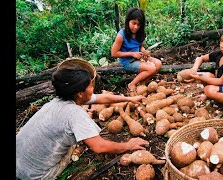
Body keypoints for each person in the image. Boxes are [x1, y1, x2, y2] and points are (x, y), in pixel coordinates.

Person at [16, 60, 149, 180]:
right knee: (72, 144)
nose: (93, 88)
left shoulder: (61, 100)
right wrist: (128, 145)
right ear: (80, 93)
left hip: (18, 161)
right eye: (90, 86)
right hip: (35, 175)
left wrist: (129, 99)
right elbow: (99, 147)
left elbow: (102, 98)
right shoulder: (75, 114)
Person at [111, 7, 162, 93]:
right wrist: (132, 54)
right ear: (128, 21)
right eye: (133, 23)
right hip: (128, 62)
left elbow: (141, 46)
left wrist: (143, 51)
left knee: (158, 64)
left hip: (139, 57)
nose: (136, 27)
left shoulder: (140, 33)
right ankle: (132, 84)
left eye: (139, 25)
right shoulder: (121, 35)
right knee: (152, 69)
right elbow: (114, 53)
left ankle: (142, 83)